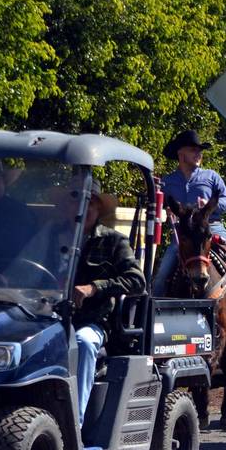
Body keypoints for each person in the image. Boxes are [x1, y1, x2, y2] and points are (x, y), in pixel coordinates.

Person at [69, 178, 146, 425]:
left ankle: (75, 424)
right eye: (77, 201)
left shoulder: (114, 241)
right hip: (48, 318)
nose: (82, 208)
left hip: (93, 321)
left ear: (98, 207)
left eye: (88, 202)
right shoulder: (52, 239)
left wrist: (94, 288)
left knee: (82, 343)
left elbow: (137, 281)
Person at [152, 130, 226, 295]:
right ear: (180, 153)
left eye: (200, 151)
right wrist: (166, 212)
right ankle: (153, 315)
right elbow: (157, 208)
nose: (198, 154)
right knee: (161, 276)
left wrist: (210, 205)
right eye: (193, 150)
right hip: (183, 236)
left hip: (212, 229)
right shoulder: (166, 182)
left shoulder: (212, 176)